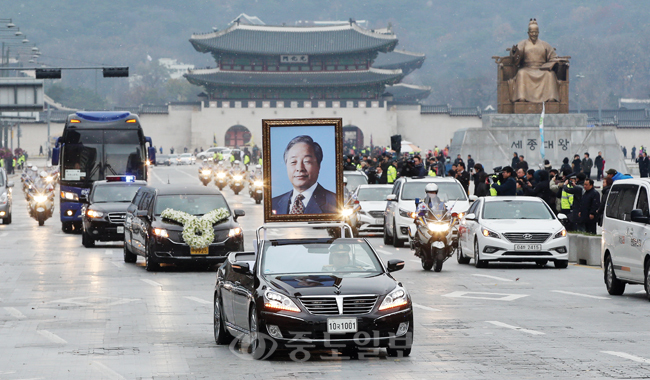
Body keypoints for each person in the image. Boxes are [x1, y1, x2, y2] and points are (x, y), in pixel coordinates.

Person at [271, 135, 337, 215]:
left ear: (318, 166)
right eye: (293, 162)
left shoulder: (336, 203)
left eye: (307, 161)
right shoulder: (273, 204)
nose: (300, 168)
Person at [509, 19, 561, 103]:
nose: (534, 34)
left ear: (538, 32)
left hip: (542, 69)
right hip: (527, 69)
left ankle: (551, 98)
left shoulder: (545, 45)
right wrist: (515, 52)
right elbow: (516, 58)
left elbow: (553, 57)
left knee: (550, 75)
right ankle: (522, 98)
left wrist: (553, 63)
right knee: (521, 73)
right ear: (528, 33)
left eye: (536, 32)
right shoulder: (523, 44)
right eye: (532, 32)